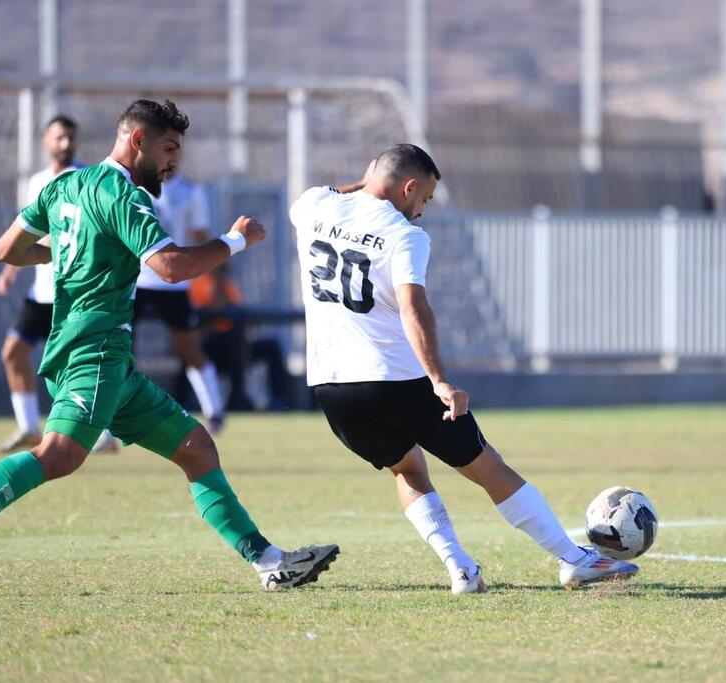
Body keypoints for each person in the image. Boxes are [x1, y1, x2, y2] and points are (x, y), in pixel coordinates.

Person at [0, 99, 338, 598]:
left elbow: (6, 249)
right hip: (94, 351)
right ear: (138, 140)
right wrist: (234, 240)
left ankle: (271, 563)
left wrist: (71, 247)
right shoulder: (124, 195)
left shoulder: (65, 185)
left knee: (195, 447)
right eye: (169, 149)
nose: (173, 163)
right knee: (59, 454)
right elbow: (170, 268)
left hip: (107, 360)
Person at [289, 144, 637, 593]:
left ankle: (461, 570)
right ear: (408, 188)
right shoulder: (404, 235)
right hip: (394, 379)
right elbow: (414, 308)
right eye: (425, 198)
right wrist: (439, 380)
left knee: (408, 471)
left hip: (331, 387)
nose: (422, 210)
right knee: (488, 467)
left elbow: (338, 191)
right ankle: (574, 560)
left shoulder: (313, 206)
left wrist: (370, 179)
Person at [0, 115, 119, 455]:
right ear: (45, 141)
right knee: (13, 352)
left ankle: (104, 433)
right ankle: (28, 428)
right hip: (42, 293)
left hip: (74, 291)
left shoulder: (87, 179)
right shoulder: (37, 182)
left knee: (79, 365)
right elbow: (27, 230)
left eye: (70, 138)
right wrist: (10, 272)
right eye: (59, 137)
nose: (65, 144)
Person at [135, 171, 227, 432]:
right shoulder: (135, 185)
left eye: (174, 151)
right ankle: (107, 419)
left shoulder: (190, 191)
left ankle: (214, 411)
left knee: (188, 346)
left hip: (174, 282)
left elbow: (202, 238)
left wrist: (217, 283)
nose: (170, 157)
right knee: (120, 348)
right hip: (136, 280)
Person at [189, 265, 291, 411]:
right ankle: (236, 400)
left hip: (234, 347)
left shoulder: (229, 287)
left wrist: (221, 285)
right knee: (233, 342)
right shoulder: (198, 284)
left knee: (270, 346)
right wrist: (217, 285)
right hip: (209, 348)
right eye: (221, 268)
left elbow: (236, 316)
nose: (224, 272)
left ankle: (278, 402)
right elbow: (202, 320)